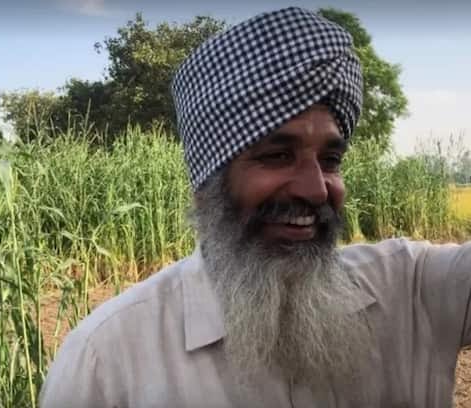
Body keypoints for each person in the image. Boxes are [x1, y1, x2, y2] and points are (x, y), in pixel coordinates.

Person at [40, 7, 471, 407]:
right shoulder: (108, 360)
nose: (317, 190)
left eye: (331, 160)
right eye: (276, 156)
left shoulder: (411, 288)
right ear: (206, 184)